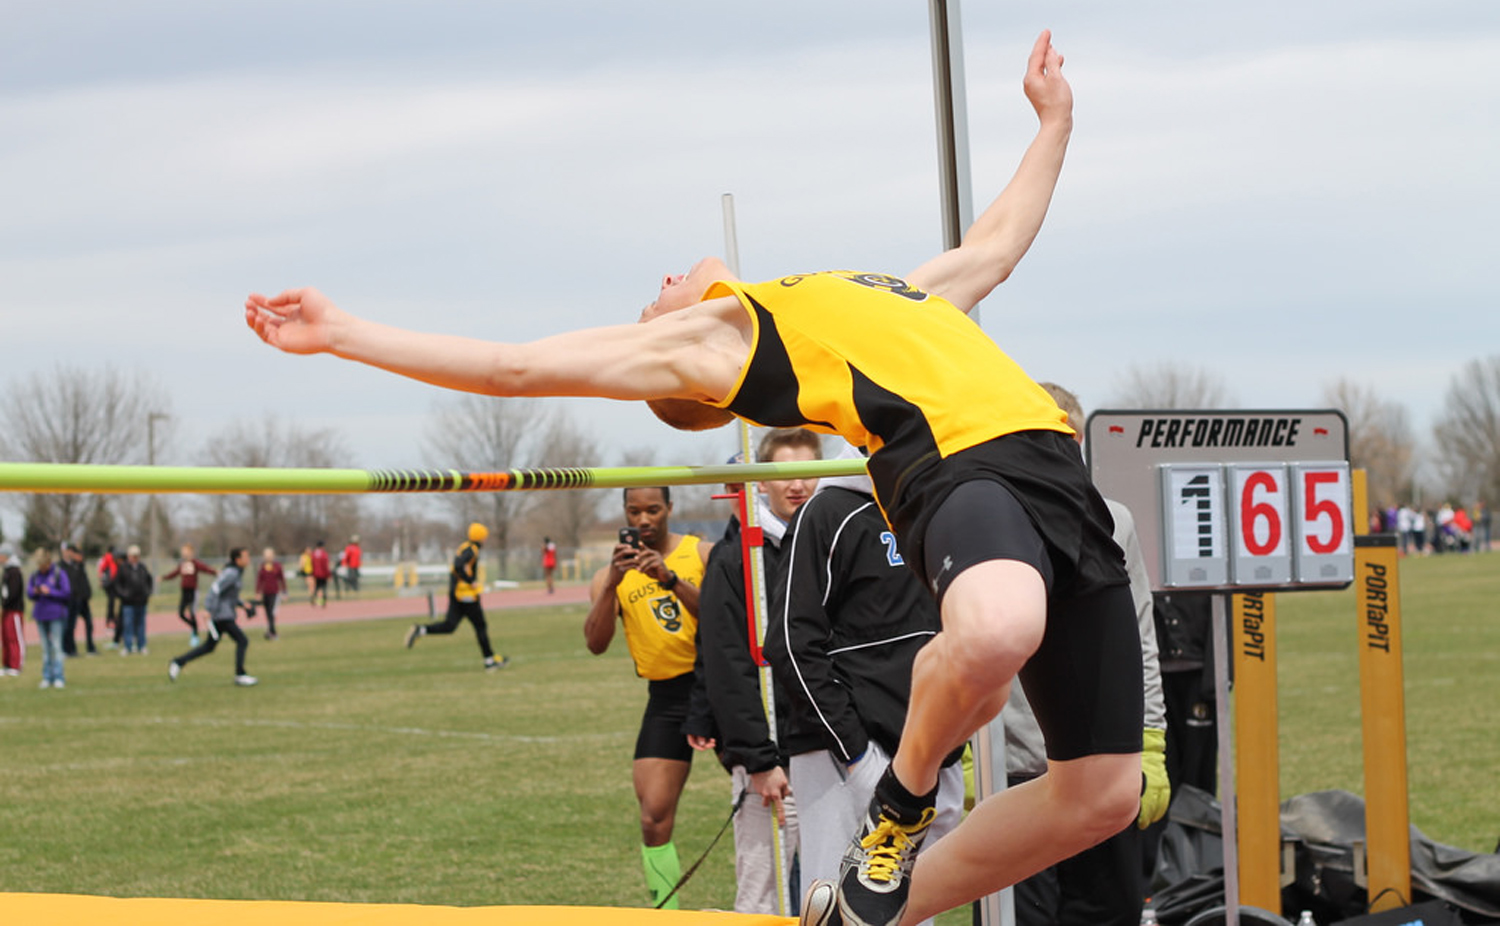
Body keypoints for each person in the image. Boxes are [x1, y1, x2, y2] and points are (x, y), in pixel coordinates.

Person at [247, 32, 1140, 926]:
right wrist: (346, 332)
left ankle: (873, 913)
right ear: (688, 376)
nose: (665, 281)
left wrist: (1055, 119)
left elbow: (995, 247)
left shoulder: (873, 299)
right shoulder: (723, 337)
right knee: (997, 630)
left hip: (1057, 472)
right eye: (653, 302)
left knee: (1103, 795)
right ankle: (899, 811)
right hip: (958, 469)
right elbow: (511, 369)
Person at [762, 449, 965, 922]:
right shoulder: (829, 511)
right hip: (847, 754)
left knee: (914, 911)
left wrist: (949, 751)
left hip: (928, 751)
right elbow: (792, 643)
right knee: (837, 907)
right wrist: (856, 757)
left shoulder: (936, 506)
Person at [999, 383, 1167, 926]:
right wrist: (973, 752)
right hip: (1019, 769)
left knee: (1108, 912)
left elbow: (1140, 634)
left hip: (1103, 764)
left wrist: (1152, 743)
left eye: (1065, 439)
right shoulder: (992, 523)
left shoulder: (1114, 521)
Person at [685, 427, 819, 914]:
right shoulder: (735, 559)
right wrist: (758, 760)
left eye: (808, 473)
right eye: (784, 474)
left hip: (829, 755)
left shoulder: (824, 544)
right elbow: (725, 661)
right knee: (763, 894)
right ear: (761, 482)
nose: (797, 485)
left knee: (827, 891)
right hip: (772, 759)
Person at [584, 487, 711, 909]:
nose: (643, 520)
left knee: (765, 793)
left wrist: (669, 578)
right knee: (653, 817)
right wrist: (612, 587)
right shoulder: (608, 576)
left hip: (717, 685)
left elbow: (722, 616)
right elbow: (595, 643)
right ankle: (667, 914)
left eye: (653, 510)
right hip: (667, 696)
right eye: (634, 511)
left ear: (670, 509)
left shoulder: (701, 554)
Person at [404, 522, 509, 671]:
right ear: (480, 537)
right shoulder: (472, 550)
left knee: (450, 626)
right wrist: (470, 581)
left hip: (456, 594)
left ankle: (421, 630)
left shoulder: (465, 546)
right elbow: (458, 566)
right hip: (466, 595)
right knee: (480, 626)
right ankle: (489, 661)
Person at [168, 547, 258, 687]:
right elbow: (215, 589)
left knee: (209, 646)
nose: (249, 559)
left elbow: (228, 596)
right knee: (242, 640)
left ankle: (178, 662)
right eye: (246, 557)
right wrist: (208, 609)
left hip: (223, 614)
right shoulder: (232, 573)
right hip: (221, 615)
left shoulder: (236, 572)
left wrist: (242, 604)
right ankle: (240, 675)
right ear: (237, 559)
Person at [27, 549, 73, 689]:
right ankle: (47, 677)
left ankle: (59, 676)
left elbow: (66, 593)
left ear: (48, 562)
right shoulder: (35, 575)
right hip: (40, 614)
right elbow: (28, 592)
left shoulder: (59, 573)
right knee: (45, 648)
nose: (41, 567)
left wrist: (50, 591)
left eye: (43, 564)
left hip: (56, 615)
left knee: (57, 646)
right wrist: (34, 591)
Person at [161, 543, 217, 647]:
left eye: (185, 551)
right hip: (184, 592)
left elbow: (205, 569)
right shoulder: (182, 564)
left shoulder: (195, 563)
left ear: (191, 552)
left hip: (193, 591)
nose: (184, 553)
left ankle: (195, 635)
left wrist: (215, 572)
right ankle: (194, 627)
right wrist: (163, 578)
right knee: (181, 613)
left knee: (192, 612)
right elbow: (174, 573)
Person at [59, 543, 98, 656]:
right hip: (71, 600)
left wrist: (87, 594)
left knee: (89, 624)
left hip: (82, 599)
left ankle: (90, 647)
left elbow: (83, 581)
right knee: (70, 626)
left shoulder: (79, 566)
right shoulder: (61, 567)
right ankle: (70, 649)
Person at [115, 545, 154, 656]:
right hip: (128, 603)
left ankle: (141, 646)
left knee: (141, 625)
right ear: (129, 556)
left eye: (137, 556)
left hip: (141, 601)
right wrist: (124, 595)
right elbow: (117, 584)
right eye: (133, 556)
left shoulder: (142, 567)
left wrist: (147, 593)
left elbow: (149, 581)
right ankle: (128, 647)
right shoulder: (123, 568)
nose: (135, 558)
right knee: (128, 625)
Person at [0, 545, 24, 676]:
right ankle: (7, 664)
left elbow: (13, 593)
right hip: (6, 609)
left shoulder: (15, 571)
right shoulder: (7, 571)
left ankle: (16, 664)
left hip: (14, 609)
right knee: (5, 637)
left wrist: (5, 604)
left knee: (14, 637)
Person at [256, 547, 288, 640]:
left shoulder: (277, 566)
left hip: (275, 592)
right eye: (266, 555)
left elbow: (282, 579)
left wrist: (284, 592)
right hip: (265, 592)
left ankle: (271, 632)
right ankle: (271, 631)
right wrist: (258, 592)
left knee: (272, 613)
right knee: (268, 613)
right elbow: (259, 580)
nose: (268, 557)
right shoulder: (262, 566)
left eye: (270, 555)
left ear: (273, 556)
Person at [98, 545, 122, 650]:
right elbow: (107, 570)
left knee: (112, 607)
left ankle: (111, 625)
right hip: (112, 585)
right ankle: (111, 625)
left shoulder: (107, 558)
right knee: (113, 607)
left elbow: (101, 569)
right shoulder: (109, 558)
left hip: (111, 585)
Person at [310, 540, 331, 606]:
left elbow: (312, 563)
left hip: (316, 573)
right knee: (324, 587)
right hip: (323, 573)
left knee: (317, 587)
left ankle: (314, 599)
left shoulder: (313, 554)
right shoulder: (324, 554)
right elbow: (325, 565)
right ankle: (323, 601)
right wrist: (328, 574)